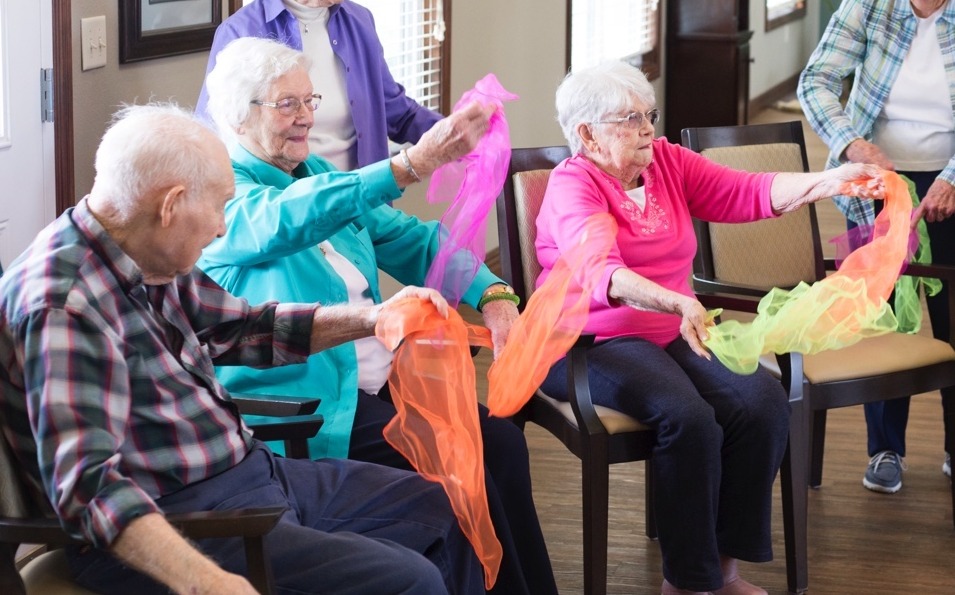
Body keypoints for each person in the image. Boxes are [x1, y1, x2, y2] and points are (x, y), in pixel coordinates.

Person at [0, 103, 485, 595]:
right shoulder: (64, 306)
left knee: (444, 507)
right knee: (411, 581)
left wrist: (372, 319)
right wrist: (208, 585)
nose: (221, 229)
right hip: (182, 521)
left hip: (250, 475)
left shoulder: (143, 249)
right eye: (218, 207)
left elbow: (246, 329)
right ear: (170, 205)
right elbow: (89, 490)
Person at [198, 37, 557, 595]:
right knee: (460, 472)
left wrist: (494, 296)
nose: (306, 118)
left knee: (502, 446)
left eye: (309, 100)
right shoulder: (224, 194)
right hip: (311, 404)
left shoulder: (311, 170)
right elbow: (291, 219)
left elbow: (413, 238)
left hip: (381, 380)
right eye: (286, 105)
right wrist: (411, 164)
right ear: (238, 117)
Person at [536, 61, 886, 595]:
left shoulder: (667, 164)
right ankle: (687, 582)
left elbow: (747, 191)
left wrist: (826, 182)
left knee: (762, 403)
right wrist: (675, 301)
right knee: (689, 418)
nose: (649, 128)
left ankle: (723, 572)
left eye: (649, 114)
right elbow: (599, 272)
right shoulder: (572, 186)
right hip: (588, 341)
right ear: (587, 134)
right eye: (630, 119)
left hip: (674, 329)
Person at [798, 0, 955, 493]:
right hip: (878, 180)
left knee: (953, 320)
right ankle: (885, 449)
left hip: (950, 177)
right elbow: (816, 79)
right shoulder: (870, 5)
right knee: (881, 318)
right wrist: (851, 144)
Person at [196, 0, 441, 171]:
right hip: (292, 211)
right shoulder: (242, 30)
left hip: (364, 205)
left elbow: (395, 112)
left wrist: (459, 133)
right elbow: (215, 134)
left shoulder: (360, 21)